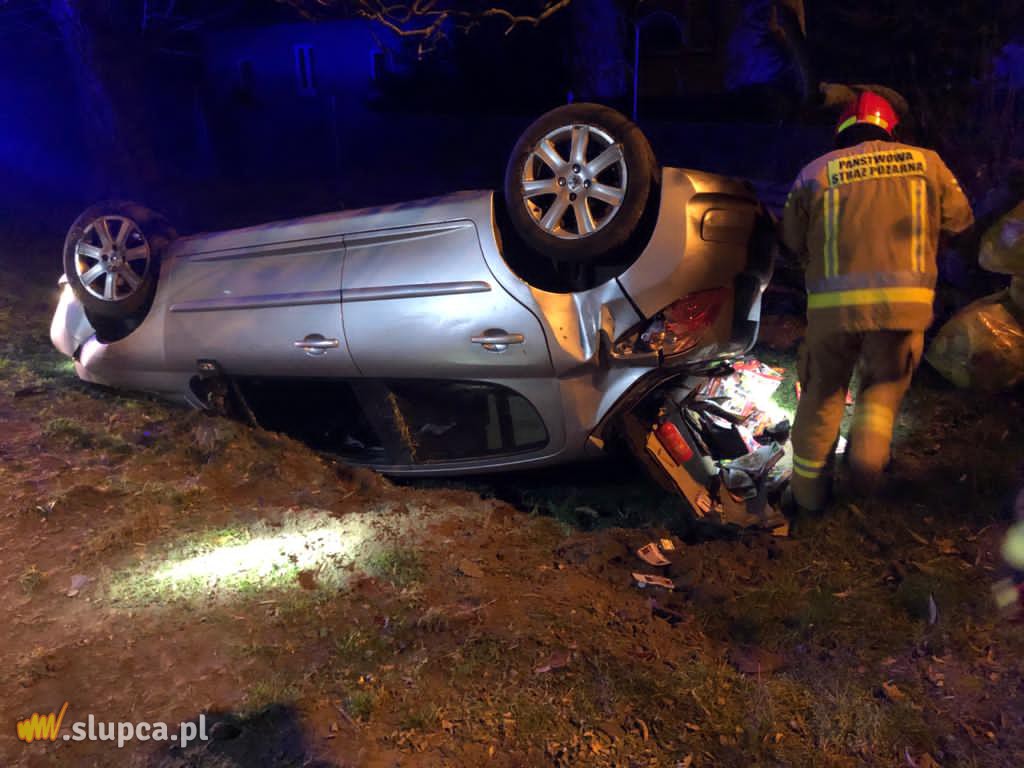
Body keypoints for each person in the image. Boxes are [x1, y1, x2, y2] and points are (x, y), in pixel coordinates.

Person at [780, 91, 974, 513]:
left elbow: (792, 239)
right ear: (891, 131)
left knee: (822, 394)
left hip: (832, 311)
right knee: (882, 392)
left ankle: (809, 499)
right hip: (904, 307)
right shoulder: (928, 163)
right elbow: (960, 222)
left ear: (841, 133)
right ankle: (863, 484)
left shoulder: (815, 171)